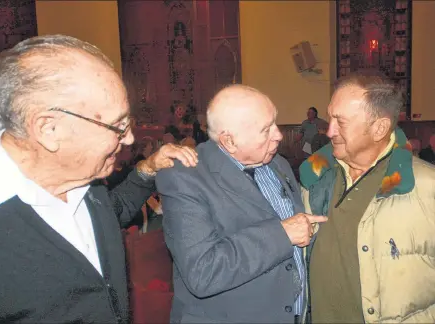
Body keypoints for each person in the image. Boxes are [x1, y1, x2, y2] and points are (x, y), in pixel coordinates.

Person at [0, 35, 198, 324]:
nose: (129, 138)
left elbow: (107, 215)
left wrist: (148, 169)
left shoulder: (78, 178)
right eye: (116, 126)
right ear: (48, 129)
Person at [156, 84, 327, 323]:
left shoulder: (278, 164)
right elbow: (203, 271)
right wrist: (282, 234)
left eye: (275, 124)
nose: (278, 135)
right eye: (266, 130)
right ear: (229, 141)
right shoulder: (185, 176)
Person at [299, 74, 435, 323]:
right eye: (330, 118)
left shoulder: (426, 187)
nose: (329, 131)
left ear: (379, 128)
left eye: (341, 122)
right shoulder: (315, 177)